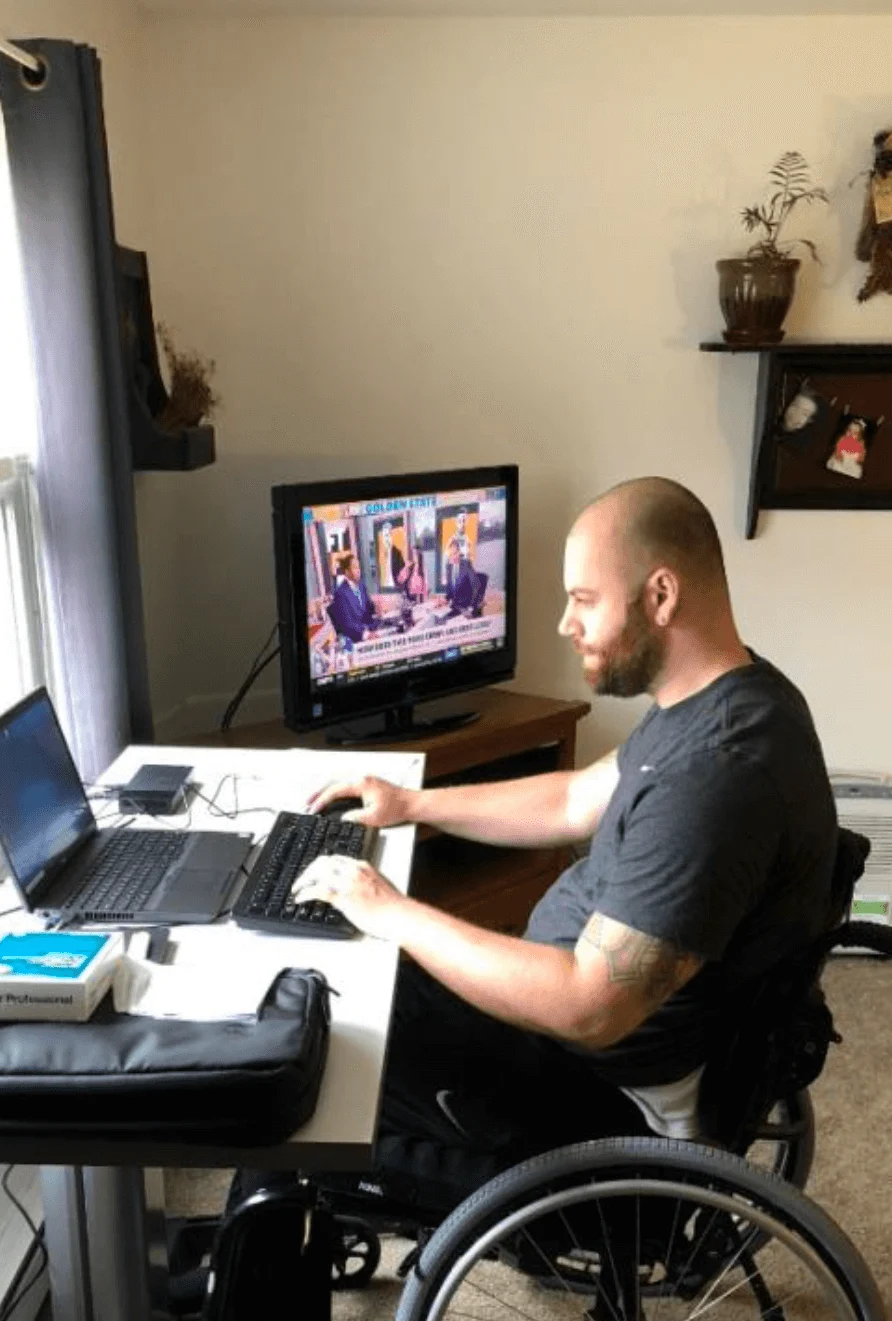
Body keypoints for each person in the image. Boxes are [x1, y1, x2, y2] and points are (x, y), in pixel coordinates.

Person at [293, 477, 838, 1175]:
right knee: (331, 986)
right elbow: (574, 800)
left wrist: (391, 913)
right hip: (566, 1043)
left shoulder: (717, 775)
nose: (564, 623)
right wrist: (413, 805)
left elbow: (588, 1007)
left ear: (661, 595)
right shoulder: (724, 695)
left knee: (315, 1029)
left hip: (591, 1091)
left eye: (584, 600)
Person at [326, 551, 379, 646]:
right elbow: (347, 625)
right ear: (347, 572)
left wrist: (376, 608)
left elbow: (367, 612)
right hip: (354, 641)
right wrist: (366, 635)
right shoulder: (341, 593)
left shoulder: (362, 586)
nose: (358, 570)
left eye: (358, 567)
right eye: (355, 568)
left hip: (369, 632)